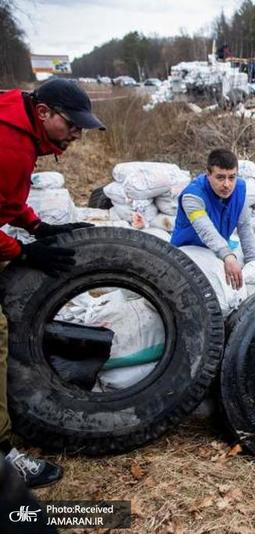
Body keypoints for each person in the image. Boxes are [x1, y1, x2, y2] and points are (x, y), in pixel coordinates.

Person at [0, 78, 104, 488]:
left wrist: (36, 226)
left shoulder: (16, 125)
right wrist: (22, 252)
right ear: (43, 113)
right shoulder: (9, 145)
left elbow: (4, 200)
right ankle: (2, 456)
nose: (78, 132)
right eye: (72, 123)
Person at [170, 149, 255, 289]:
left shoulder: (240, 189)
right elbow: (206, 230)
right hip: (189, 252)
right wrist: (228, 256)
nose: (227, 184)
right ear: (208, 174)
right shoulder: (192, 196)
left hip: (216, 252)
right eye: (220, 177)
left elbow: (245, 226)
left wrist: (252, 261)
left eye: (232, 177)